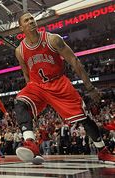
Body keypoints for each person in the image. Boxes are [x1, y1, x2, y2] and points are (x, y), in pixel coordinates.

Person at [14, 12, 115, 164]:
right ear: (21, 27)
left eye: (32, 19)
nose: (31, 21)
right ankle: (31, 143)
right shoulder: (19, 51)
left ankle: (103, 151)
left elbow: (74, 61)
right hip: (37, 85)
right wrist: (32, 99)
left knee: (83, 118)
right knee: (19, 101)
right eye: (26, 20)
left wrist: (90, 87)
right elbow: (26, 74)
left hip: (58, 83)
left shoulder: (53, 39)